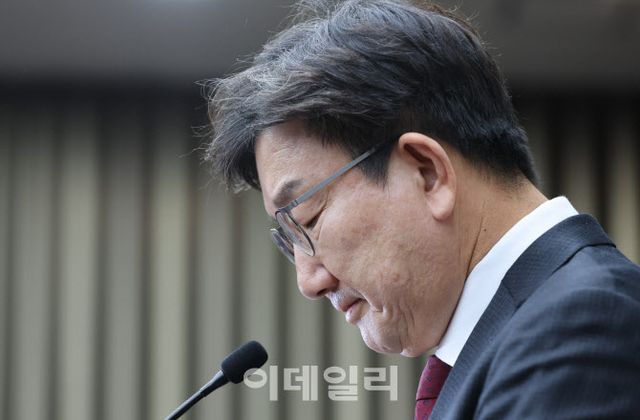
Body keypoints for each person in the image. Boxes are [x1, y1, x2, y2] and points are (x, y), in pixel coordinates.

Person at [204, 0, 640, 418]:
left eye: (308, 220)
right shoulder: (523, 330)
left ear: (427, 173)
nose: (308, 282)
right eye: (288, 240)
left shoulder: (581, 326)